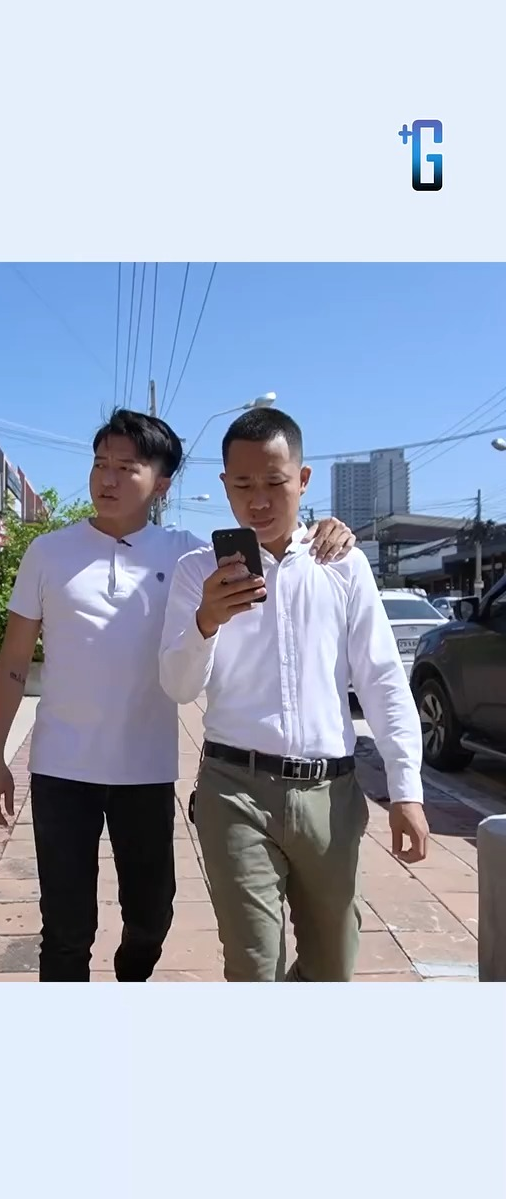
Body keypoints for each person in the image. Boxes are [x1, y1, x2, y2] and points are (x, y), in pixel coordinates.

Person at [0, 408, 357, 982]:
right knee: (65, 929)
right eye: (100, 464)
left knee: (151, 919)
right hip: (61, 769)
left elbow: (276, 545)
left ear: (162, 484)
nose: (107, 479)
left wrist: (328, 529)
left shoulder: (189, 556)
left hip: (147, 771)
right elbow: (11, 665)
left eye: (126, 467)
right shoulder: (49, 553)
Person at [159, 405, 429, 982]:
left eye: (274, 483)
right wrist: (206, 621)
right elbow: (179, 686)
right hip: (235, 790)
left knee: (333, 969)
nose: (258, 500)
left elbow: (381, 677)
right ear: (224, 485)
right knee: (254, 968)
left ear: (303, 480)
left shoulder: (343, 564)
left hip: (331, 794)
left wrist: (407, 789)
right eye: (242, 485)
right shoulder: (195, 572)